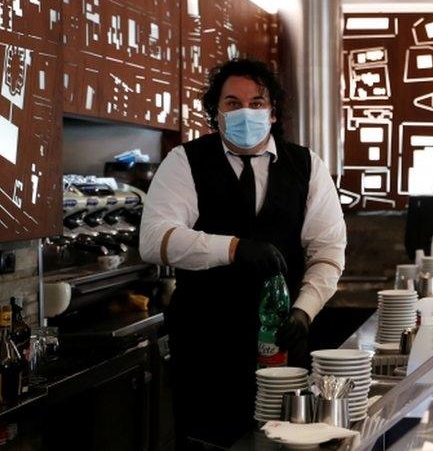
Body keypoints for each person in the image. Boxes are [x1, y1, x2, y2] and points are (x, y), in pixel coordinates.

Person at [140, 58, 346, 448]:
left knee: (283, 441)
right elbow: (154, 239)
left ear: (271, 113)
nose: (245, 112)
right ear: (216, 113)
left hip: (282, 340)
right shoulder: (185, 161)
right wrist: (233, 248)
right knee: (209, 440)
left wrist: (305, 309)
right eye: (233, 103)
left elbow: (327, 251)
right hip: (206, 343)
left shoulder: (307, 166)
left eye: (256, 103)